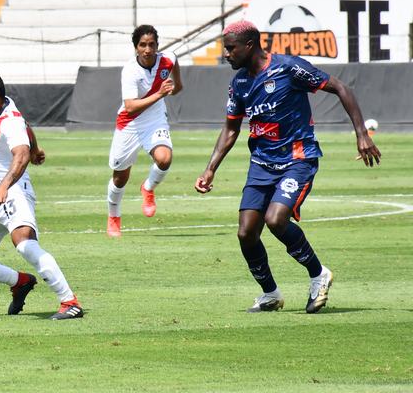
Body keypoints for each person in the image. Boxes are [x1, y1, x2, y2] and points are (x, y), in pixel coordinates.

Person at [194, 20, 381, 314]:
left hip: (297, 159)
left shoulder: (289, 68)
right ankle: (270, 294)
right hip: (261, 164)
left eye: (230, 48)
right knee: (246, 233)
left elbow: (340, 87)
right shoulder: (239, 83)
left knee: (275, 219)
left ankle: (319, 274)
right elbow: (231, 129)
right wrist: (210, 169)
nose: (226, 54)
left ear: (249, 45)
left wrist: (361, 135)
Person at [0, 68, 83, 320]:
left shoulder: (9, 120)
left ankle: (70, 302)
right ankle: (20, 282)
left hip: (12, 194)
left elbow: (20, 156)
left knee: (25, 245)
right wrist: (36, 148)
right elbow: (26, 127)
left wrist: (5, 185)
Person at [106, 25, 183, 237]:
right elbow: (130, 106)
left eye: (151, 44)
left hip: (155, 118)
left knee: (164, 158)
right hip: (130, 122)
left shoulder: (168, 59)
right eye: (142, 45)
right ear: (136, 48)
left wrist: (176, 86)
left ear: (157, 45)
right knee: (120, 178)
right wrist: (159, 94)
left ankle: (148, 188)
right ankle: (114, 216)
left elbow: (176, 70)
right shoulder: (130, 70)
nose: (147, 49)